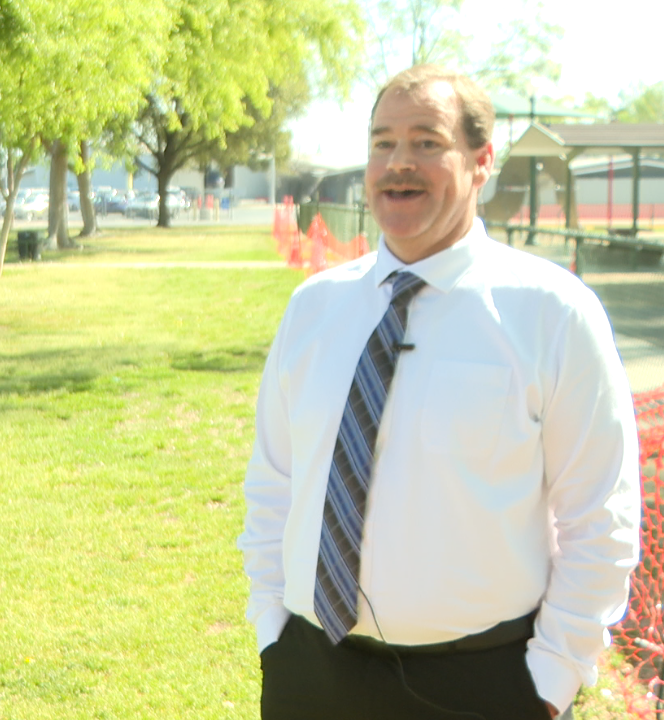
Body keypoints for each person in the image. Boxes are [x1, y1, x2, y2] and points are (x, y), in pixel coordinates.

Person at [238, 65, 640, 720]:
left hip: (485, 683)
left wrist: (549, 682)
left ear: (482, 162)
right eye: (383, 143)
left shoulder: (553, 313)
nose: (399, 163)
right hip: (311, 670)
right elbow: (274, 482)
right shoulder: (314, 308)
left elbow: (600, 515)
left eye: (427, 142)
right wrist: (272, 631)